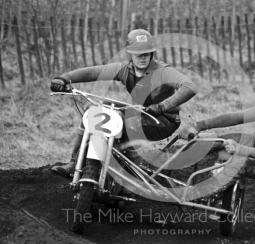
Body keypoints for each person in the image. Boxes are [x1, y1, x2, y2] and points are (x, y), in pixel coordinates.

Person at [50, 29, 197, 180]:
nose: (142, 57)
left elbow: (190, 87)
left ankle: (133, 170)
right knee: (95, 112)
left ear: (152, 54)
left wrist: (161, 107)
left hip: (164, 121)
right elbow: (95, 72)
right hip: (140, 113)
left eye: (146, 53)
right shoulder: (125, 70)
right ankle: (75, 163)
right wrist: (64, 78)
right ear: (130, 53)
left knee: (124, 124)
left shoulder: (163, 71)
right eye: (138, 53)